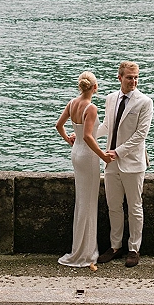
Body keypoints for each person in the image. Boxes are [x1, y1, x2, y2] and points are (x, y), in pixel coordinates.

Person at [55, 70, 115, 270]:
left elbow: (59, 125)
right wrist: (103, 156)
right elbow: (89, 137)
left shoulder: (72, 103)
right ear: (95, 87)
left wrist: (69, 139)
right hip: (88, 157)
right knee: (88, 203)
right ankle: (86, 253)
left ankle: (80, 249)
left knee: (82, 201)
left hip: (76, 154)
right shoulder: (91, 107)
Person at [96, 61, 153, 268]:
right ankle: (115, 246)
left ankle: (134, 249)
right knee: (113, 206)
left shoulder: (145, 102)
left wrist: (118, 152)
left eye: (136, 77)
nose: (134, 81)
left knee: (135, 207)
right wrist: (86, 136)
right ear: (120, 77)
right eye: (130, 77)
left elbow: (141, 135)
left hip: (132, 163)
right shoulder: (110, 98)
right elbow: (106, 125)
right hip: (110, 163)